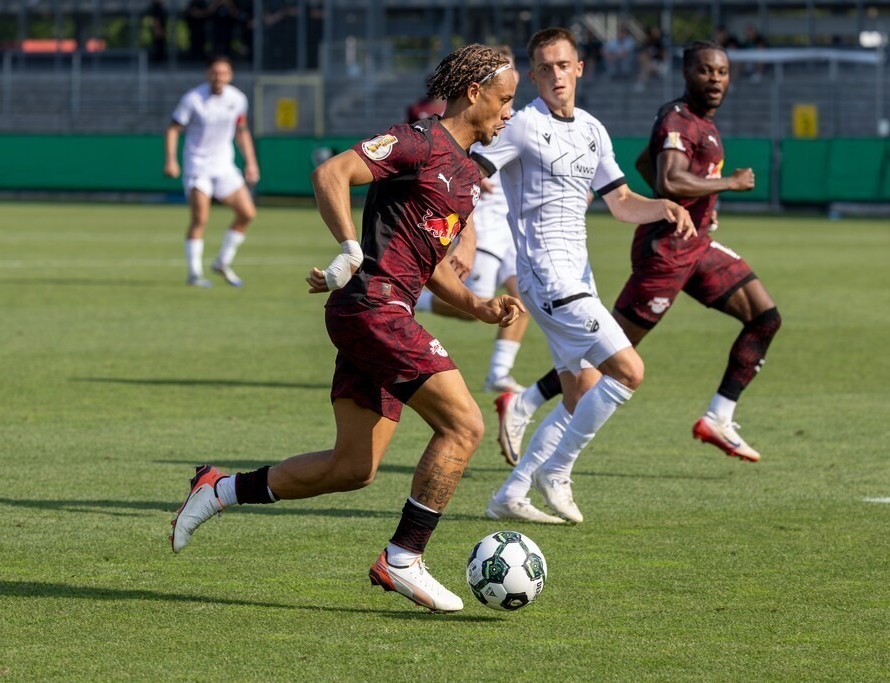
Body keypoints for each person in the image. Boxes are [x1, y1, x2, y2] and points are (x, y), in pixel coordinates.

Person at [169, 44, 523, 613]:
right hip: (373, 309)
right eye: (505, 100)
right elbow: (331, 173)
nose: (510, 112)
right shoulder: (417, 140)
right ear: (474, 93)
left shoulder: (463, 175)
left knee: (353, 467)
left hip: (386, 311)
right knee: (464, 426)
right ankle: (404, 557)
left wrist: (479, 306)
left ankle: (219, 489)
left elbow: (426, 266)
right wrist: (351, 248)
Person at [497, 41, 781, 469]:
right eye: (706, 71)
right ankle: (529, 415)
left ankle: (719, 415)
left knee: (764, 316)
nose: (716, 79)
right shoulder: (676, 119)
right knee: (611, 359)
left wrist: (668, 204)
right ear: (687, 74)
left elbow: (639, 175)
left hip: (695, 245)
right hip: (663, 255)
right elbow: (668, 175)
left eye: (722, 72)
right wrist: (726, 185)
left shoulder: (677, 123)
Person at [473, 27, 693, 525]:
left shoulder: (593, 128)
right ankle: (557, 471)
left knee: (580, 393)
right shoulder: (523, 125)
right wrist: (458, 231)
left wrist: (663, 206)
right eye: (545, 67)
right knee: (629, 372)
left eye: (563, 65)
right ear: (532, 75)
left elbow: (620, 203)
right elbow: (474, 171)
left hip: (579, 275)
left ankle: (513, 491)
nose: (555, 75)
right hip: (546, 276)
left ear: (579, 68)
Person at [413, 45, 533, 400]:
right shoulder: (476, 123)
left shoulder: (511, 118)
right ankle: (417, 297)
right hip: (482, 222)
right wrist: (468, 235)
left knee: (521, 297)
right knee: (476, 304)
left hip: (509, 227)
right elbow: (461, 177)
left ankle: (499, 373)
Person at [164, 55, 260, 288]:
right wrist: (171, 160)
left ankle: (222, 262)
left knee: (247, 213)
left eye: (224, 73)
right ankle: (194, 273)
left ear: (230, 75)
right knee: (200, 218)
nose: (219, 77)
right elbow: (173, 129)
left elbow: (241, 131)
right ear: (208, 74)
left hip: (224, 165)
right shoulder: (194, 99)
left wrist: (251, 162)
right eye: (215, 72)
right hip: (198, 166)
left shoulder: (237, 99)